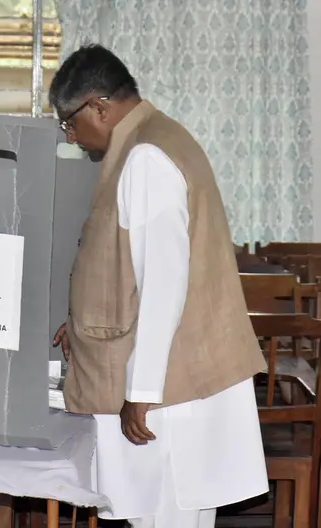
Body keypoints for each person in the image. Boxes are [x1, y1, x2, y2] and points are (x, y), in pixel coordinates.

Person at [50, 44, 269, 528]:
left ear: (99, 107)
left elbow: (165, 281)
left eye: (68, 122)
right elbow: (124, 267)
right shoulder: (157, 138)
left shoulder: (146, 156)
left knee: (165, 514)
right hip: (176, 378)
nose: (71, 136)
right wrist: (83, 327)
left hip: (170, 390)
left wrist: (141, 392)